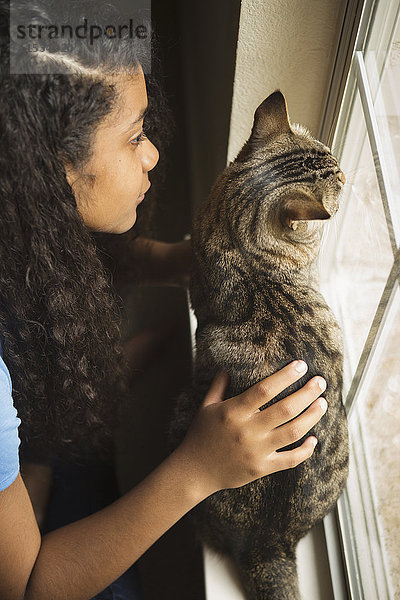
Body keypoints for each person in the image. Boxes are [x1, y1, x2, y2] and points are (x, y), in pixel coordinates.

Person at [0, 1, 328, 598]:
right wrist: (196, 470)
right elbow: (28, 583)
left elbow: (60, 258)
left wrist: (178, 261)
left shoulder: (16, 215)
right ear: (51, 169)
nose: (152, 154)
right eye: (135, 136)